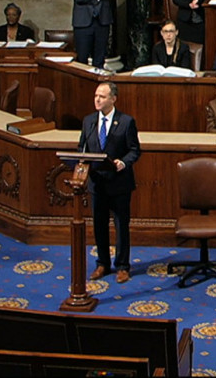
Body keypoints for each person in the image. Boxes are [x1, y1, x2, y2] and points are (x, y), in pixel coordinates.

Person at [80, 81, 140, 284]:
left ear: (113, 99)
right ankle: (102, 263)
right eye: (96, 95)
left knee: (121, 225)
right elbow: (82, 147)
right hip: (97, 182)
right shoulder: (88, 121)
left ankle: (122, 266)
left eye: (102, 96)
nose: (97, 99)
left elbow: (134, 150)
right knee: (99, 225)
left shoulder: (126, 121)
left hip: (119, 182)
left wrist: (123, 162)